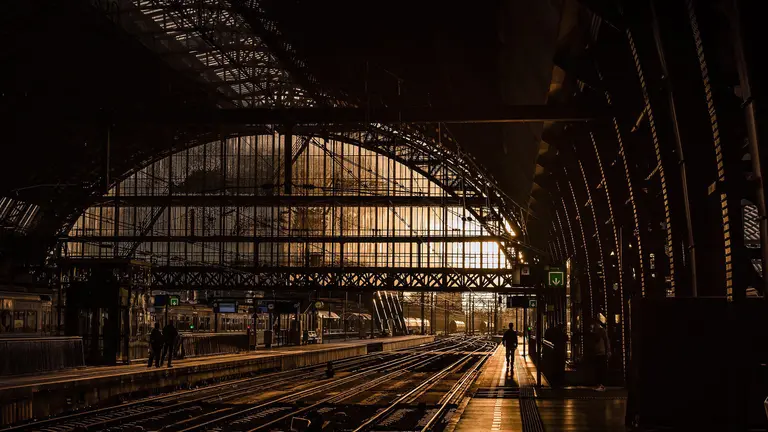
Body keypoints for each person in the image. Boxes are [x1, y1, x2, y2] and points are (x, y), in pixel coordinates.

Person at [593, 320, 611, 391]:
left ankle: (601, 384)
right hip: (599, 352)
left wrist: (608, 350)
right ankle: (599, 384)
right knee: (598, 370)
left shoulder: (601, 331)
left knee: (601, 369)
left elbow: (606, 341)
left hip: (601, 352)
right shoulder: (596, 332)